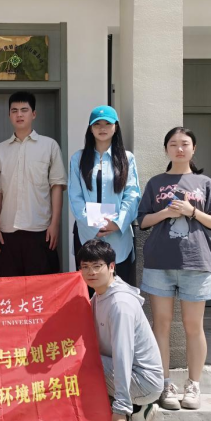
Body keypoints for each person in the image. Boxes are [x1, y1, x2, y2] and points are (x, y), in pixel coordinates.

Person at [138, 127, 211, 411]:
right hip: (159, 263)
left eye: (185, 144)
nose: (179, 148)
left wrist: (192, 212)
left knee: (193, 326)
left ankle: (193, 385)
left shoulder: (205, 182)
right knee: (161, 325)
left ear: (193, 148)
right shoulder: (156, 182)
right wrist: (166, 213)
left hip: (196, 262)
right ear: (166, 149)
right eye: (173, 144)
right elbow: (143, 221)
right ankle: (164, 384)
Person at [77, 239, 163, 421]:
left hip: (143, 381)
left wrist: (120, 409)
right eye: (85, 267)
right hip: (127, 374)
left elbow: (123, 356)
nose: (91, 272)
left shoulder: (120, 304)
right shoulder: (100, 295)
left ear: (111, 267)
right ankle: (138, 412)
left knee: (82, 364)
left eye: (97, 266)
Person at [0, 91, 67, 277]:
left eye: (24, 110)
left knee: (41, 286)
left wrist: (54, 224)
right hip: (8, 231)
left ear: (33, 114)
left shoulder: (49, 146)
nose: (19, 115)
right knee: (10, 287)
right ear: (9, 115)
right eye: (14, 111)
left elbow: (57, 186)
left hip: (40, 229)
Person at [69, 105, 141, 286]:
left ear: (115, 127)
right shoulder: (78, 158)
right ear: (90, 128)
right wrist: (93, 224)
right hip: (87, 232)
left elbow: (132, 194)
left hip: (119, 235)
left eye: (107, 124)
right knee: (89, 287)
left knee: (119, 287)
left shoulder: (127, 158)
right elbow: (75, 196)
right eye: (97, 124)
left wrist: (117, 223)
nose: (102, 128)